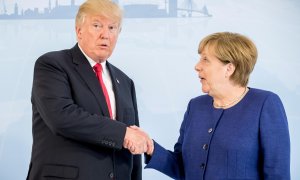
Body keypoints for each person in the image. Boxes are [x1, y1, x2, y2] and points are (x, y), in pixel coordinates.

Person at [131, 32, 291, 179]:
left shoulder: (265, 104)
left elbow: (277, 174)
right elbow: (182, 168)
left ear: (229, 68)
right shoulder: (196, 106)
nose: (197, 66)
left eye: (205, 59)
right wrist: (150, 147)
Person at [26, 0, 151, 179]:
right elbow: (62, 117)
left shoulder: (125, 82)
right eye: (97, 25)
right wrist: (122, 133)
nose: (105, 35)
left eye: (112, 28)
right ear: (79, 31)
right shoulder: (52, 65)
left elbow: (133, 151)